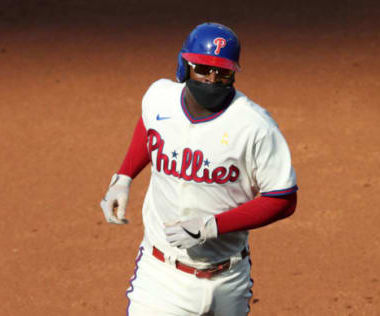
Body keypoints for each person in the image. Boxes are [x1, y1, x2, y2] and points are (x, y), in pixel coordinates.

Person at [100, 22, 298, 316]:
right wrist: (124, 176)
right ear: (185, 66)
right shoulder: (160, 97)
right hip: (162, 277)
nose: (212, 79)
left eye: (223, 72)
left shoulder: (254, 126)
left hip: (229, 279)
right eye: (203, 69)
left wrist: (212, 226)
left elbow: (283, 199)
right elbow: (150, 124)